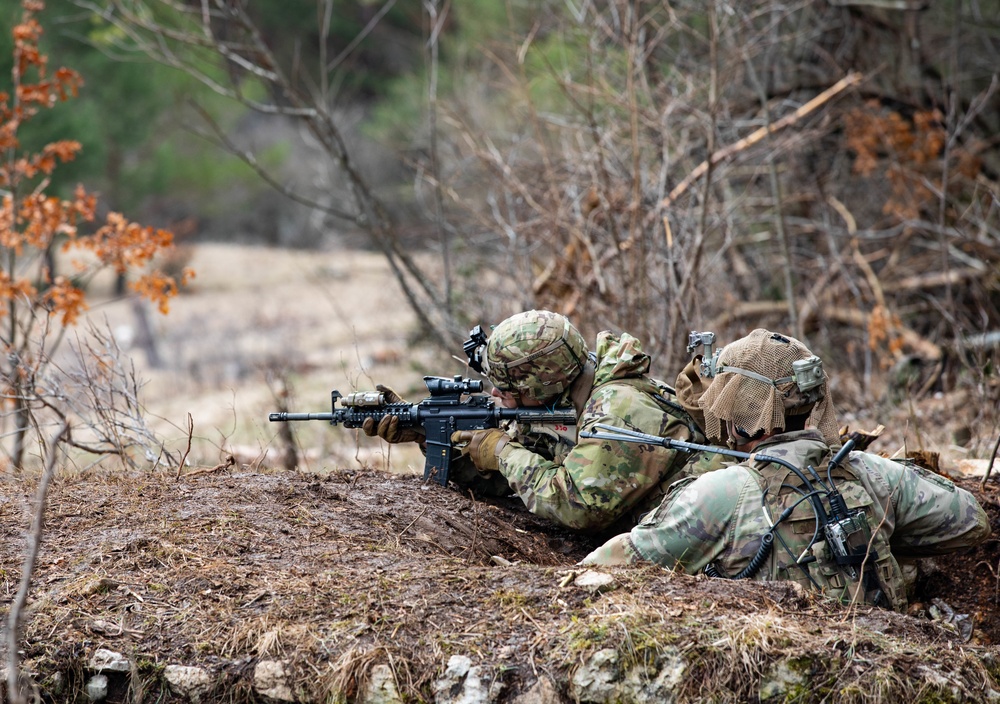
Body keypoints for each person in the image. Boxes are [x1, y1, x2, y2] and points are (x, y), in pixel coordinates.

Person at [580, 328, 991, 611]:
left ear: (746, 411)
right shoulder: (872, 472)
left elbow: (605, 568)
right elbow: (971, 520)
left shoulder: (722, 492)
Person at [363, 309, 718, 533]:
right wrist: (427, 435)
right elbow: (513, 482)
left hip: (710, 529)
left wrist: (502, 452)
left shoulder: (618, 407)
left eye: (505, 387)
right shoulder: (562, 400)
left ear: (539, 384)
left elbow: (579, 505)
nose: (497, 395)